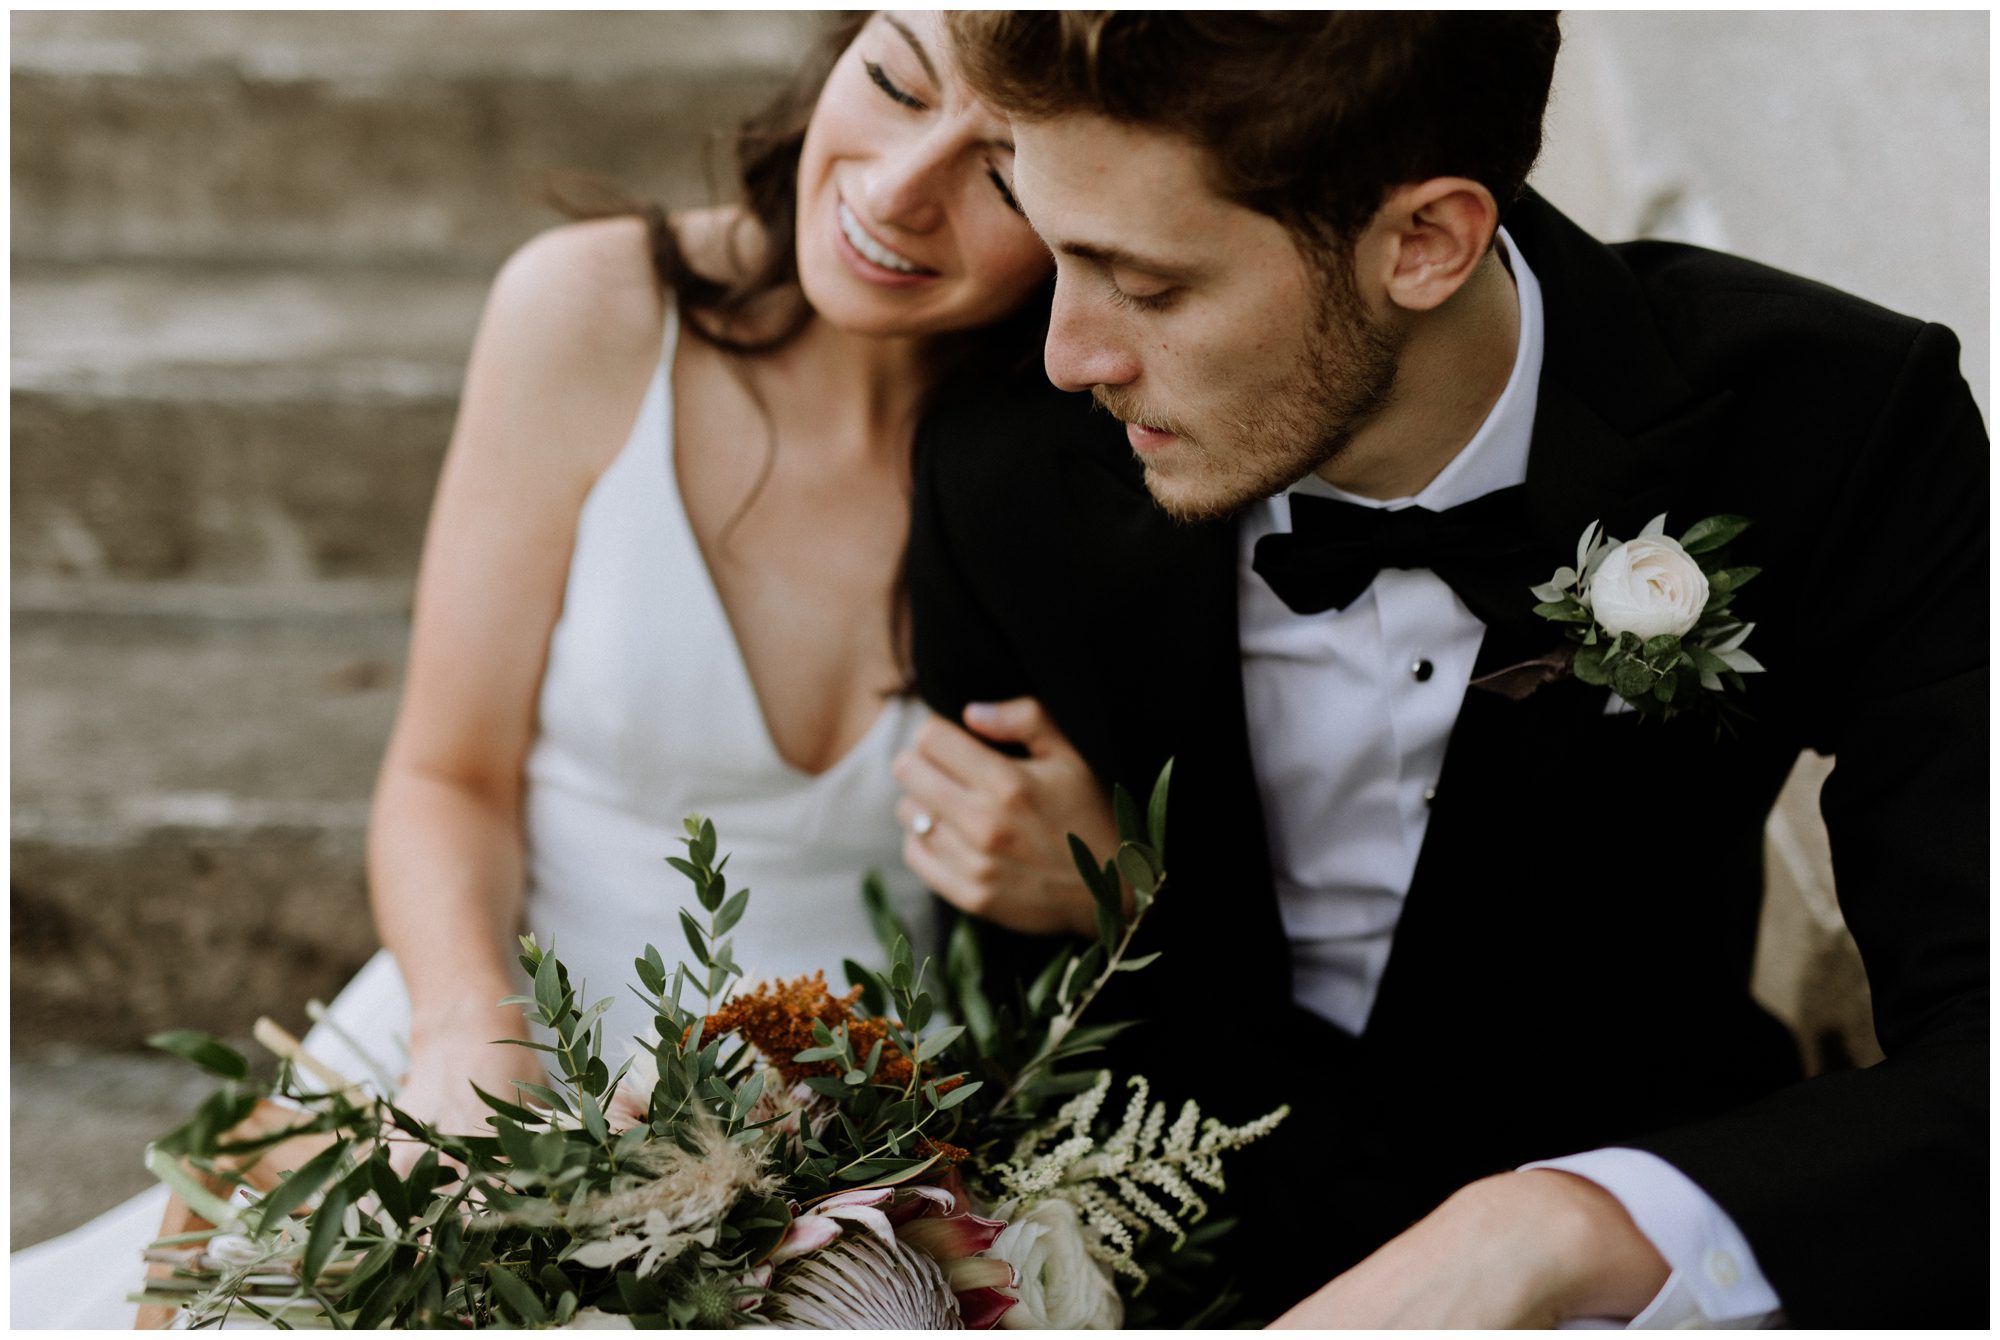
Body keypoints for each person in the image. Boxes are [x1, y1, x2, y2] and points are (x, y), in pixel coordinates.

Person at [897, 11, 1986, 1329]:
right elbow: (1016, 1061)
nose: (1074, 354)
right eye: (1049, 233)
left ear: (1425, 240)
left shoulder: (1837, 425)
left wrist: (1561, 1227)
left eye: (1151, 284)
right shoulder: (1003, 475)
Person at [11, 12, 1067, 1327]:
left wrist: (1098, 877)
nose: (901, 188)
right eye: (895, 80)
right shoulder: (594, 309)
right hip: (478, 1055)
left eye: (1006, 169)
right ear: (838, 48)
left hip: (837, 1180)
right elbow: (446, 771)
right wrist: (468, 1032)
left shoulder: (1107, 438)